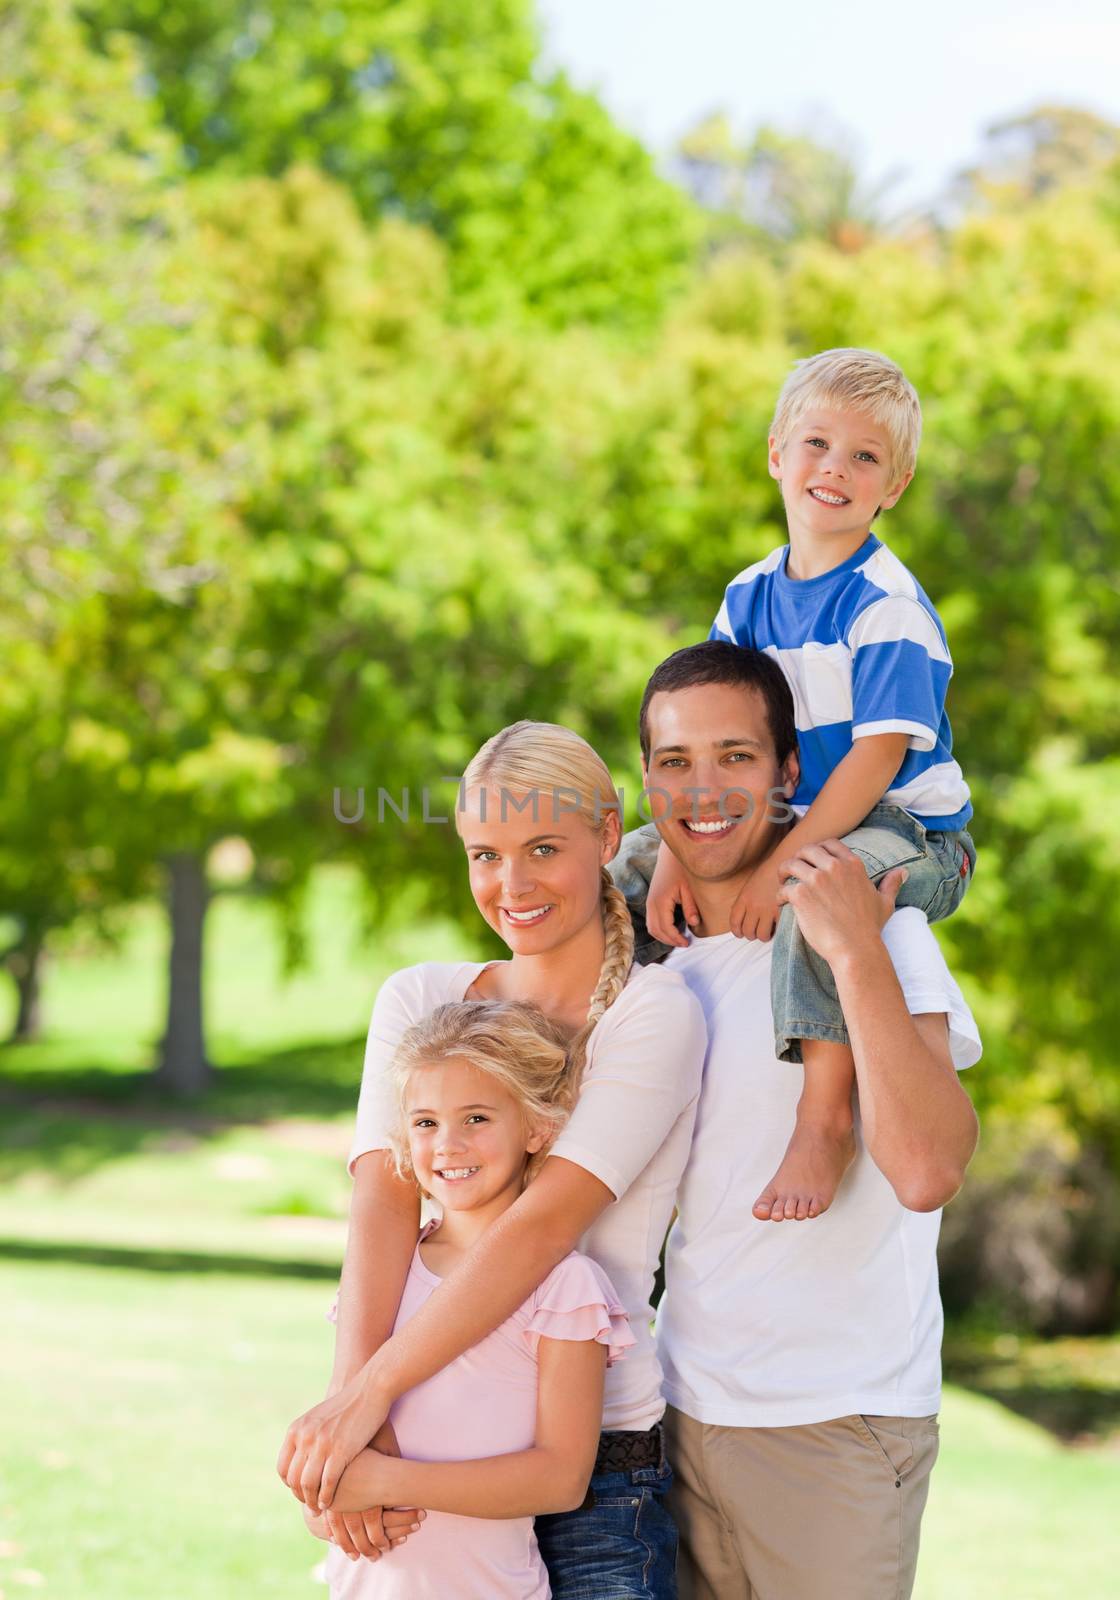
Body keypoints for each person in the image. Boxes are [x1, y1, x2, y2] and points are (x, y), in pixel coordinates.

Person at [279, 721, 708, 1600]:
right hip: (413, 1458)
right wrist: (356, 1425)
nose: (510, 885)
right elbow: (383, 1206)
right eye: (484, 854)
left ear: (605, 830)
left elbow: (542, 1227)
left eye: (542, 848)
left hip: (593, 1484)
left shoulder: (654, 1014)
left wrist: (365, 1403)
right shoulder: (421, 999)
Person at [624, 640, 980, 1600]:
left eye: (736, 756)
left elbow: (926, 1170)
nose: (705, 788)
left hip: (838, 1426)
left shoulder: (879, 922)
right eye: (675, 761)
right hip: (679, 1418)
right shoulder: (663, 960)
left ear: (789, 771)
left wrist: (857, 949)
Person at [633, 348, 976, 1224]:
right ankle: (610, 1054)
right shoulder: (748, 594)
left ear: (893, 485)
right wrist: (676, 855)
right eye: (818, 443)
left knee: (821, 894)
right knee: (627, 866)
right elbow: (705, 720)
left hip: (910, 830)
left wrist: (780, 860)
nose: (836, 468)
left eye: (865, 457)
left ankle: (823, 1116)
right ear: (777, 453)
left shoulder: (886, 607)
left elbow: (877, 761)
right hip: (799, 811)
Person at [306, 998, 635, 1599]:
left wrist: (384, 1480)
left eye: (477, 1119)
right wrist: (326, 1500)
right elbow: (333, 1444)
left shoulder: (565, 1288)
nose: (448, 1145)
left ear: (539, 1128)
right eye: (426, 1122)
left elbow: (560, 1479)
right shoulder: (385, 1275)